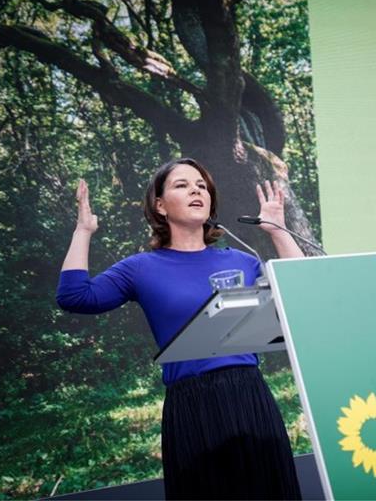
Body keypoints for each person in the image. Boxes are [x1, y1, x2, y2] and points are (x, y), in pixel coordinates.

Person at [56, 158, 304, 500]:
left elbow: (305, 292)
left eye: (201, 186)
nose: (196, 190)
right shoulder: (141, 268)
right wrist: (83, 231)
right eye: (182, 185)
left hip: (250, 396)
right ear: (160, 205)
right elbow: (74, 296)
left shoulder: (242, 261)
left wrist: (277, 231)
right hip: (192, 407)